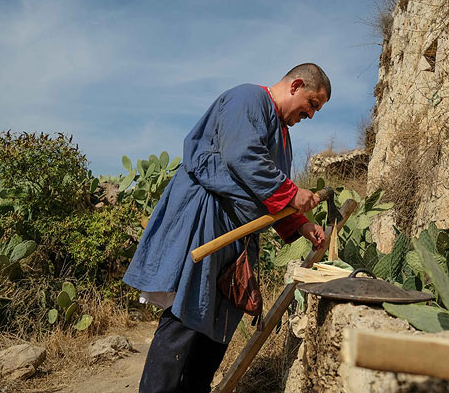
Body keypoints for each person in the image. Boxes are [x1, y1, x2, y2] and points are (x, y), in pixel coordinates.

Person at [123, 63, 331, 393]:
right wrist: (293, 193)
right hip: (209, 221)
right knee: (189, 313)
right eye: (312, 104)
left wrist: (301, 223)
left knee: (218, 323)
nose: (311, 114)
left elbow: (269, 194)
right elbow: (243, 157)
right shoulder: (248, 99)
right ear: (296, 85)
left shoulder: (283, 134)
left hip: (238, 238)